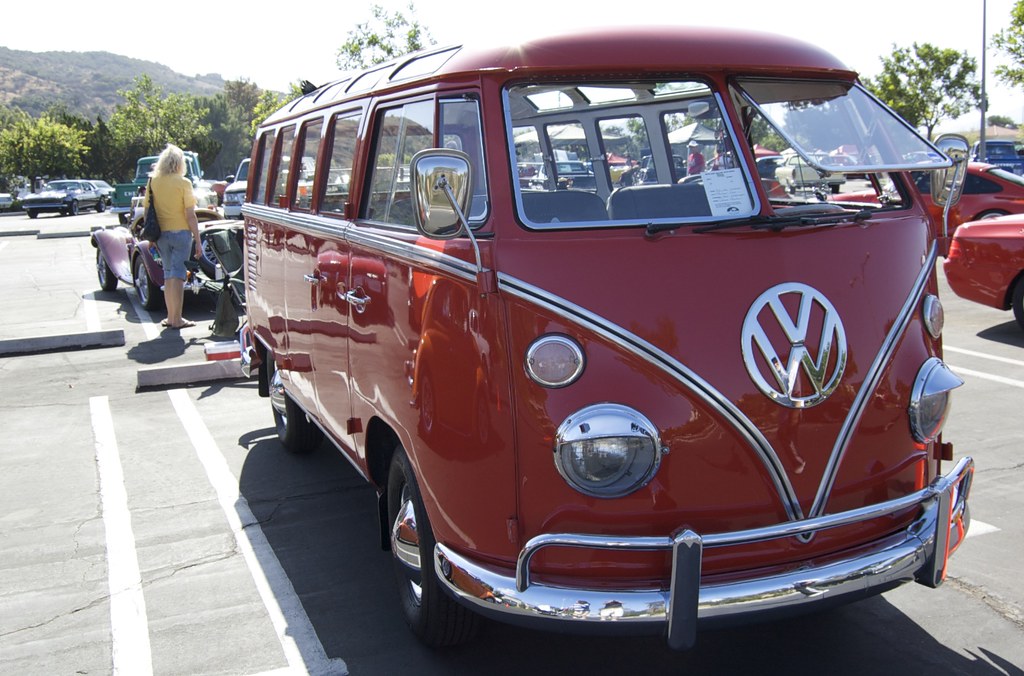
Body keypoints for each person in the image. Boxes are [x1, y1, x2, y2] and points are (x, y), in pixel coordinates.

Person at [145, 144, 202, 329]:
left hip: (161, 234)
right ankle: (177, 320)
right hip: (181, 233)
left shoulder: (152, 182)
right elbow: (190, 214)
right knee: (178, 276)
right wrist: (198, 240)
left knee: (168, 274)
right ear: (179, 163)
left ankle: (170, 317)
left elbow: (147, 211)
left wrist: (151, 238)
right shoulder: (183, 183)